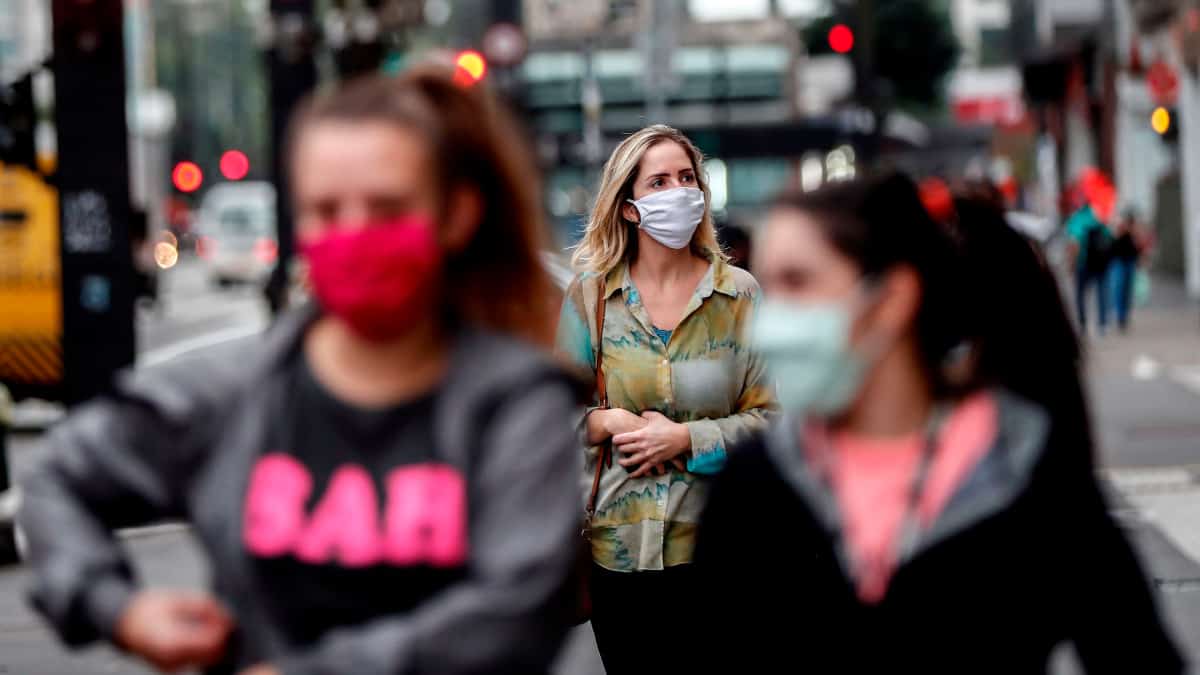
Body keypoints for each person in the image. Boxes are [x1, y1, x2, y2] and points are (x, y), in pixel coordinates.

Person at [20, 68, 582, 675]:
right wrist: (118, 608)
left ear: (456, 216)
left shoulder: (517, 408)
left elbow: (514, 615)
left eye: (387, 208)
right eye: (325, 210)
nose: (354, 233)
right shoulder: (235, 391)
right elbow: (57, 480)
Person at [693, 173, 1183, 672]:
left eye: (798, 283)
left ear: (892, 299)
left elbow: (1137, 652)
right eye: (768, 286)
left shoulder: (1021, 463)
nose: (771, 324)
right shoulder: (756, 480)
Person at [555, 124, 775, 674]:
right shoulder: (590, 298)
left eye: (687, 177)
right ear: (629, 207)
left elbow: (778, 421)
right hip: (619, 556)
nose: (679, 191)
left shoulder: (740, 295)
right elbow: (548, 418)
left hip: (724, 552)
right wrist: (602, 422)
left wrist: (686, 438)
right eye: (659, 182)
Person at [1066, 202, 1113, 335]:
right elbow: (1109, 237)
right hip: (1100, 264)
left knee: (1080, 294)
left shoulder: (1076, 219)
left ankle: (1083, 324)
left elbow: (1073, 243)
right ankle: (1102, 324)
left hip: (1083, 263)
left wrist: (1071, 264)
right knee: (1102, 293)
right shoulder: (1097, 217)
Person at [1108, 209, 1146, 333]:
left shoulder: (1134, 233)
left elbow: (1140, 247)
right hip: (1119, 262)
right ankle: (1120, 317)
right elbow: (1112, 242)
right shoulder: (1118, 229)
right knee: (1119, 290)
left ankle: (1124, 317)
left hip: (1130, 262)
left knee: (1127, 291)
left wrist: (1135, 233)